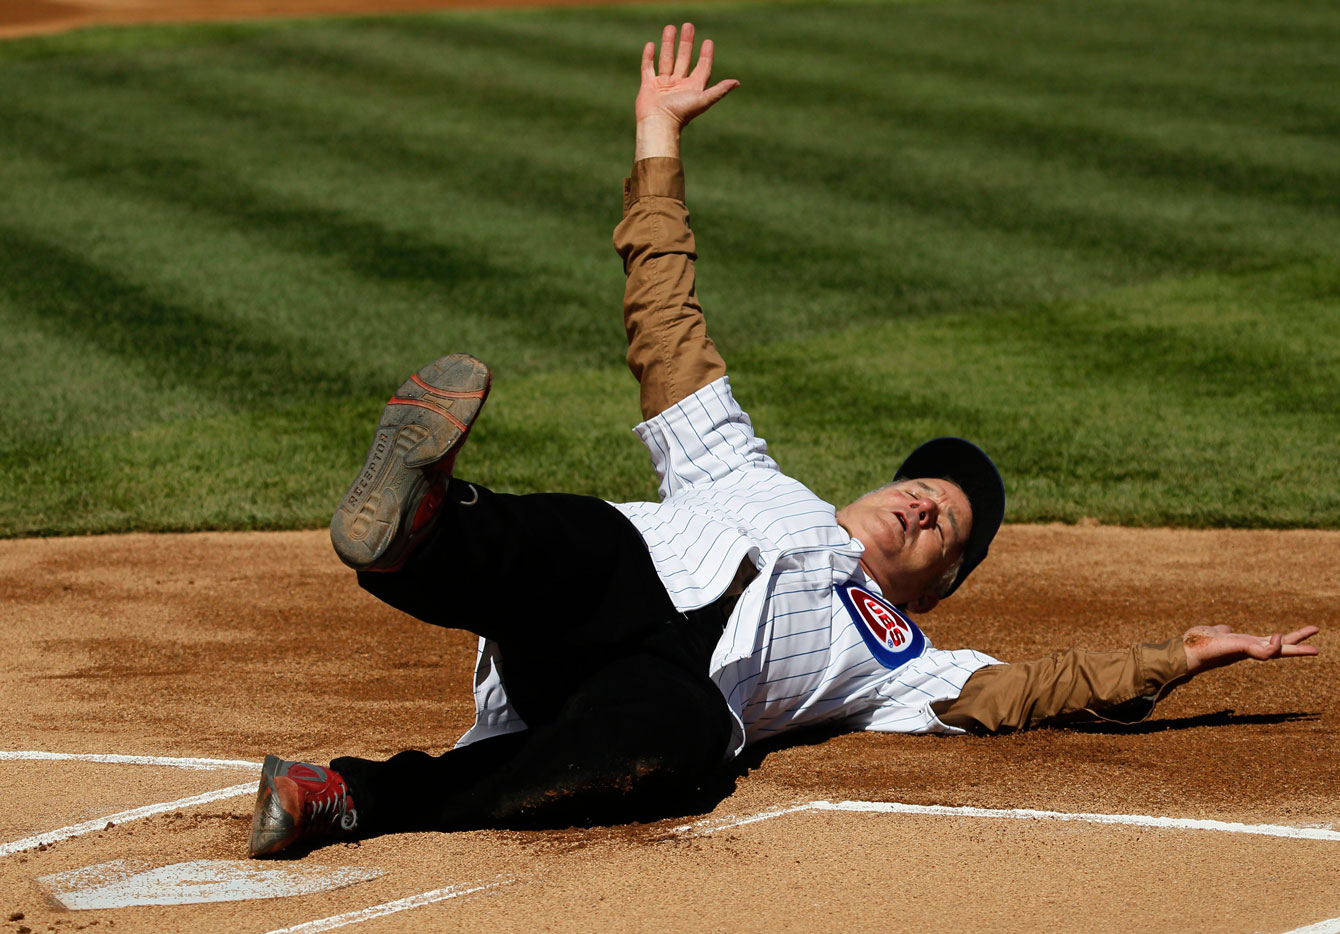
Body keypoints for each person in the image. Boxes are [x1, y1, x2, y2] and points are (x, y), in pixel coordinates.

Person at [247, 25, 1320, 859]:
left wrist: (1174, 659)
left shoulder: (905, 664)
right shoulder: (741, 468)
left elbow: (1035, 690)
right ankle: (419, 531)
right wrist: (657, 142)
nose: (920, 504)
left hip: (650, 693)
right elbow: (666, 320)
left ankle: (336, 796)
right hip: (606, 594)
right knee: (588, 543)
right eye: (918, 487)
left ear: (938, 585)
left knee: (670, 752)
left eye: (942, 525)